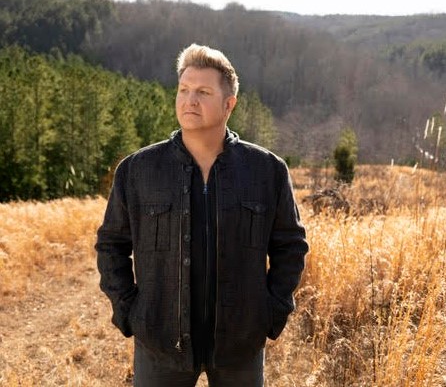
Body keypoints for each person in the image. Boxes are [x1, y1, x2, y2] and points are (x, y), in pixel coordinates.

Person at [95, 43, 309, 386]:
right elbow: (111, 245)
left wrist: (272, 312)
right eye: (184, 89)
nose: (189, 100)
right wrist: (129, 312)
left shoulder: (267, 171)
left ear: (229, 104)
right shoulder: (137, 170)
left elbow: (291, 246)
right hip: (160, 342)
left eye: (203, 92)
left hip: (241, 343)